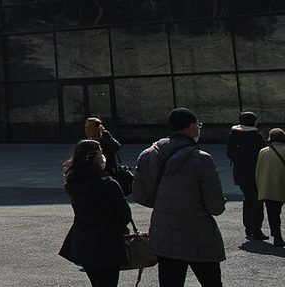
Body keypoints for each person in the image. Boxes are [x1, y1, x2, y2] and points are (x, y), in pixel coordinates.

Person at [131, 108, 225, 287]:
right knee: (211, 281)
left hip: (163, 234)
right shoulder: (202, 159)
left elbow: (139, 195)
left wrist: (163, 203)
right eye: (198, 125)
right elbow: (216, 207)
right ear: (191, 127)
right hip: (199, 235)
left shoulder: (148, 154)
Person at [58, 138, 132, 287]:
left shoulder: (72, 183)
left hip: (83, 241)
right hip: (108, 242)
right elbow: (125, 215)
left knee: (97, 282)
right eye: (101, 153)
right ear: (95, 157)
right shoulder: (108, 184)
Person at [227, 111, 268, 241]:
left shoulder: (233, 135)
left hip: (240, 173)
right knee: (257, 200)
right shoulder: (256, 136)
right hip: (256, 172)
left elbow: (229, 154)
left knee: (248, 199)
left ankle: (248, 229)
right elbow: (264, 154)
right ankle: (256, 230)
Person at [255, 127, 285, 247]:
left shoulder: (263, 151)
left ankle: (277, 237)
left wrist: (261, 187)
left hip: (270, 187)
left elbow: (258, 170)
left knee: (273, 214)